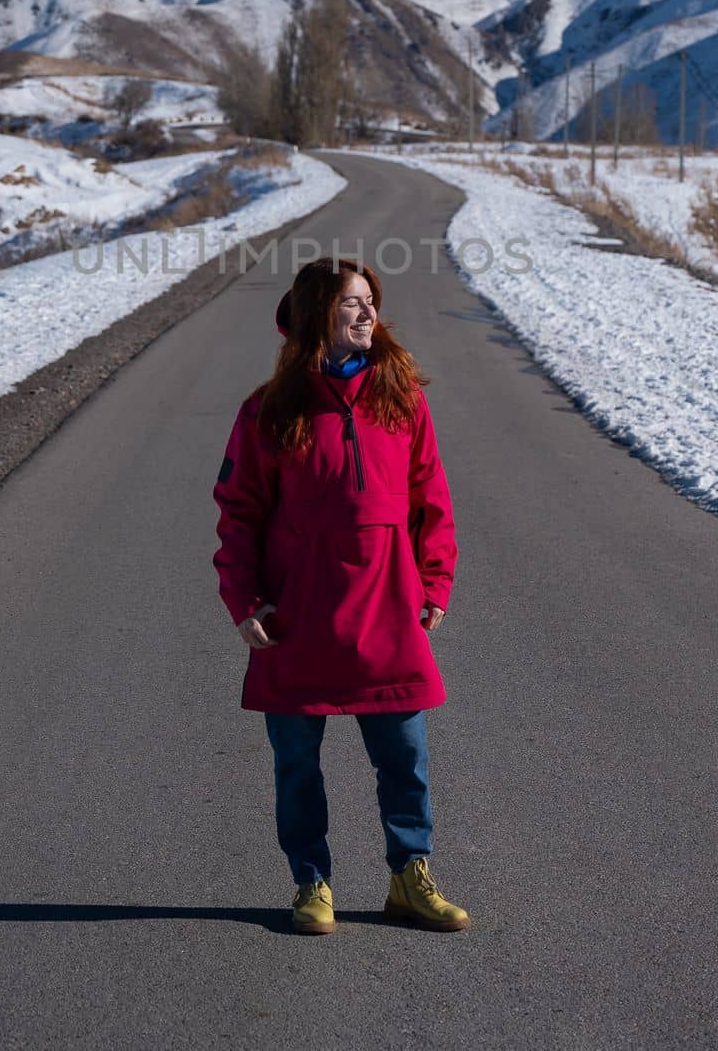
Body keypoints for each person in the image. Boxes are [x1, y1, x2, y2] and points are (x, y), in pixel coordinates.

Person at [212, 256, 469, 936]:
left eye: (370, 301)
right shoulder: (266, 412)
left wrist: (435, 578)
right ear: (314, 318)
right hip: (297, 619)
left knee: (404, 761)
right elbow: (237, 515)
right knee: (297, 766)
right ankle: (310, 883)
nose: (367, 314)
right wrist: (245, 601)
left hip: (388, 612)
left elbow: (430, 499)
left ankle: (409, 878)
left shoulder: (401, 398)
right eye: (351, 304)